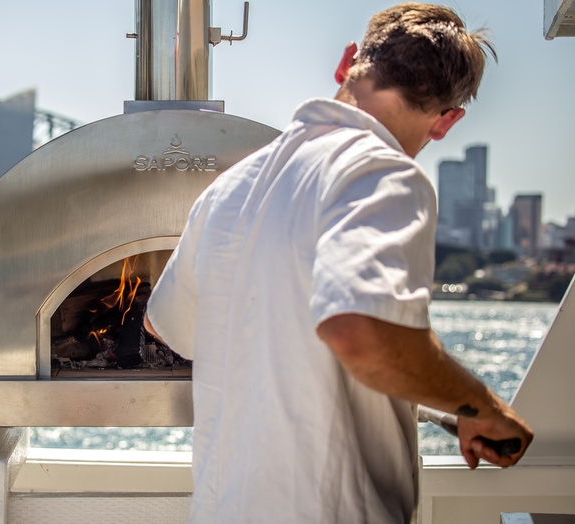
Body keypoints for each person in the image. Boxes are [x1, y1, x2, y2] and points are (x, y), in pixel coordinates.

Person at [143, 3, 534, 523]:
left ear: (348, 61)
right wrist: (480, 406)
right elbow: (357, 331)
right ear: (446, 122)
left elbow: (164, 324)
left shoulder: (229, 189)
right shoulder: (386, 175)